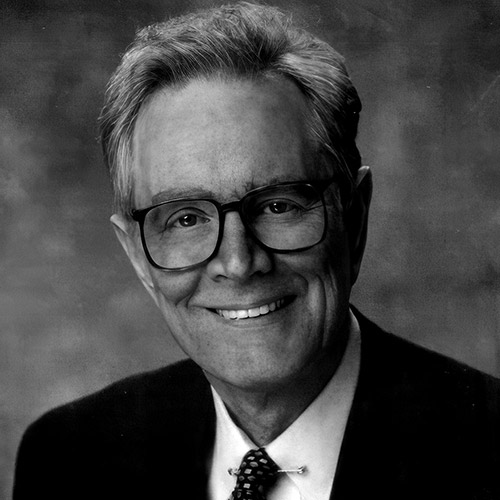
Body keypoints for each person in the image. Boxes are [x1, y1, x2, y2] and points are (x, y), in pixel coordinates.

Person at [13, 2, 500, 499]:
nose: (239, 262)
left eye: (278, 206)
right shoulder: (68, 459)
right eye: (186, 219)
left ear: (354, 217)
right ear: (137, 254)